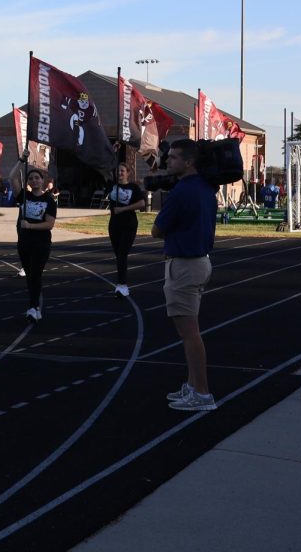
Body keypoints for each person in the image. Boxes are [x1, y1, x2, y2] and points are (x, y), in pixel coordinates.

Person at [151, 139, 219, 412]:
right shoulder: (206, 188)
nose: (168, 161)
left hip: (184, 265)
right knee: (190, 331)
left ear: (189, 161)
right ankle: (193, 386)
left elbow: (157, 229)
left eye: (174, 157)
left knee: (190, 334)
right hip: (199, 261)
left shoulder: (181, 192)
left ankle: (202, 393)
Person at [17, 166, 56, 321]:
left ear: (42, 181)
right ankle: (34, 306)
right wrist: (20, 161)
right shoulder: (24, 196)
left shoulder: (49, 200)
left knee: (35, 274)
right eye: (31, 178)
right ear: (28, 182)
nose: (34, 180)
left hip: (41, 242)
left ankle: (34, 307)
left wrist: (30, 226)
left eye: (37, 178)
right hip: (24, 242)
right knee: (29, 275)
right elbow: (13, 178)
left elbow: (49, 224)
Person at [107, 163, 146, 297]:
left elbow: (142, 204)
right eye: (118, 171)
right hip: (114, 224)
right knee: (119, 255)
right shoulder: (112, 185)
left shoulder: (133, 187)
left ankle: (122, 285)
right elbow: (104, 165)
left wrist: (122, 209)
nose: (120, 173)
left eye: (123, 171)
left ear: (128, 173)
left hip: (128, 224)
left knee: (122, 254)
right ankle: (121, 283)